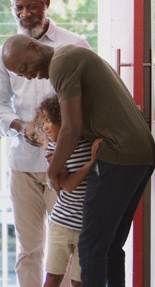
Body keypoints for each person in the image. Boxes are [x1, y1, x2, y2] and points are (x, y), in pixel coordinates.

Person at [1, 34, 155, 287]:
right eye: (22, 75)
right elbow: (81, 125)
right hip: (140, 154)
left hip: (118, 155)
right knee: (110, 246)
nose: (28, 76)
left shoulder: (62, 62)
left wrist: (52, 172)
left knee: (90, 245)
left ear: (33, 47)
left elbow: (71, 128)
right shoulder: (71, 56)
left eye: (26, 68)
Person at [0, 0, 90, 286]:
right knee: (29, 249)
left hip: (66, 165)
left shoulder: (73, 45)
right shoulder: (6, 52)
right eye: (19, 7)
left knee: (70, 246)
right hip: (23, 166)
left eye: (32, 6)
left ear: (47, 4)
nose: (25, 14)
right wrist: (21, 127)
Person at [32, 95, 102, 287]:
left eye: (48, 121)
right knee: (53, 278)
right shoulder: (55, 149)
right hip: (61, 223)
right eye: (42, 121)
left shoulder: (87, 144)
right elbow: (67, 186)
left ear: (62, 119)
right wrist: (91, 163)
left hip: (86, 227)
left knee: (78, 282)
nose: (45, 126)